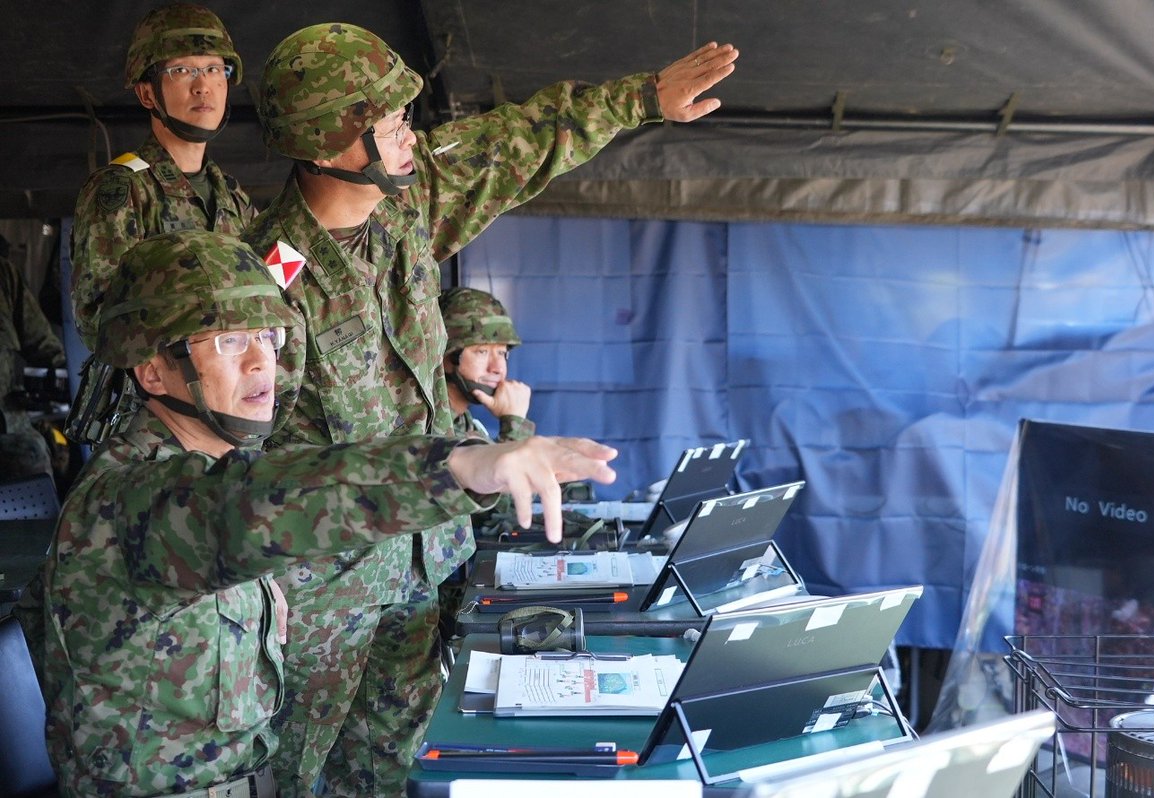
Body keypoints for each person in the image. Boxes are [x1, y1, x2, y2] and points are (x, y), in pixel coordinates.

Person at [242, 22, 736, 796]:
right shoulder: (265, 281)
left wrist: (640, 99)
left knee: (390, 772)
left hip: (420, 578)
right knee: (295, 778)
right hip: (322, 601)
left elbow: (515, 142)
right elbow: (245, 469)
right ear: (328, 139)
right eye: (391, 123)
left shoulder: (405, 209)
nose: (410, 135)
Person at [39, 229, 617, 797]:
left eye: (268, 336)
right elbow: (259, 500)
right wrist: (460, 466)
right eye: (228, 342)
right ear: (152, 371)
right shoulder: (131, 496)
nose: (262, 362)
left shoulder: (201, 468)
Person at [66, 3, 257, 444]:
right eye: (181, 71)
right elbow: (99, 320)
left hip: (228, 411)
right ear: (147, 94)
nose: (202, 85)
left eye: (214, 69)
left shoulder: (232, 195)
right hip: (155, 420)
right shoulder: (123, 188)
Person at [0, 243, 66, 481]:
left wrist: (75, 382)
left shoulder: (4, 275)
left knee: (39, 458)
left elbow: (42, 343)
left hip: (11, 431)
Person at [440, 286, 532, 442]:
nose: (497, 368)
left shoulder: (463, 423)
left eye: (501, 353)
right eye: (482, 352)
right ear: (446, 357)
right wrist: (514, 426)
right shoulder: (424, 425)